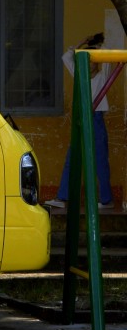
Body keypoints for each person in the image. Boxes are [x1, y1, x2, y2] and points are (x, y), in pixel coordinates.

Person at [45, 33, 115, 210]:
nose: (90, 62)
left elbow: (106, 54)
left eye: (93, 59)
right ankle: (62, 197)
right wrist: (83, 42)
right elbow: (67, 56)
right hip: (81, 117)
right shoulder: (79, 74)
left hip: (96, 118)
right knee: (72, 158)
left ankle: (105, 200)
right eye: (87, 58)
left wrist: (98, 45)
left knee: (100, 160)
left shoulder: (102, 76)